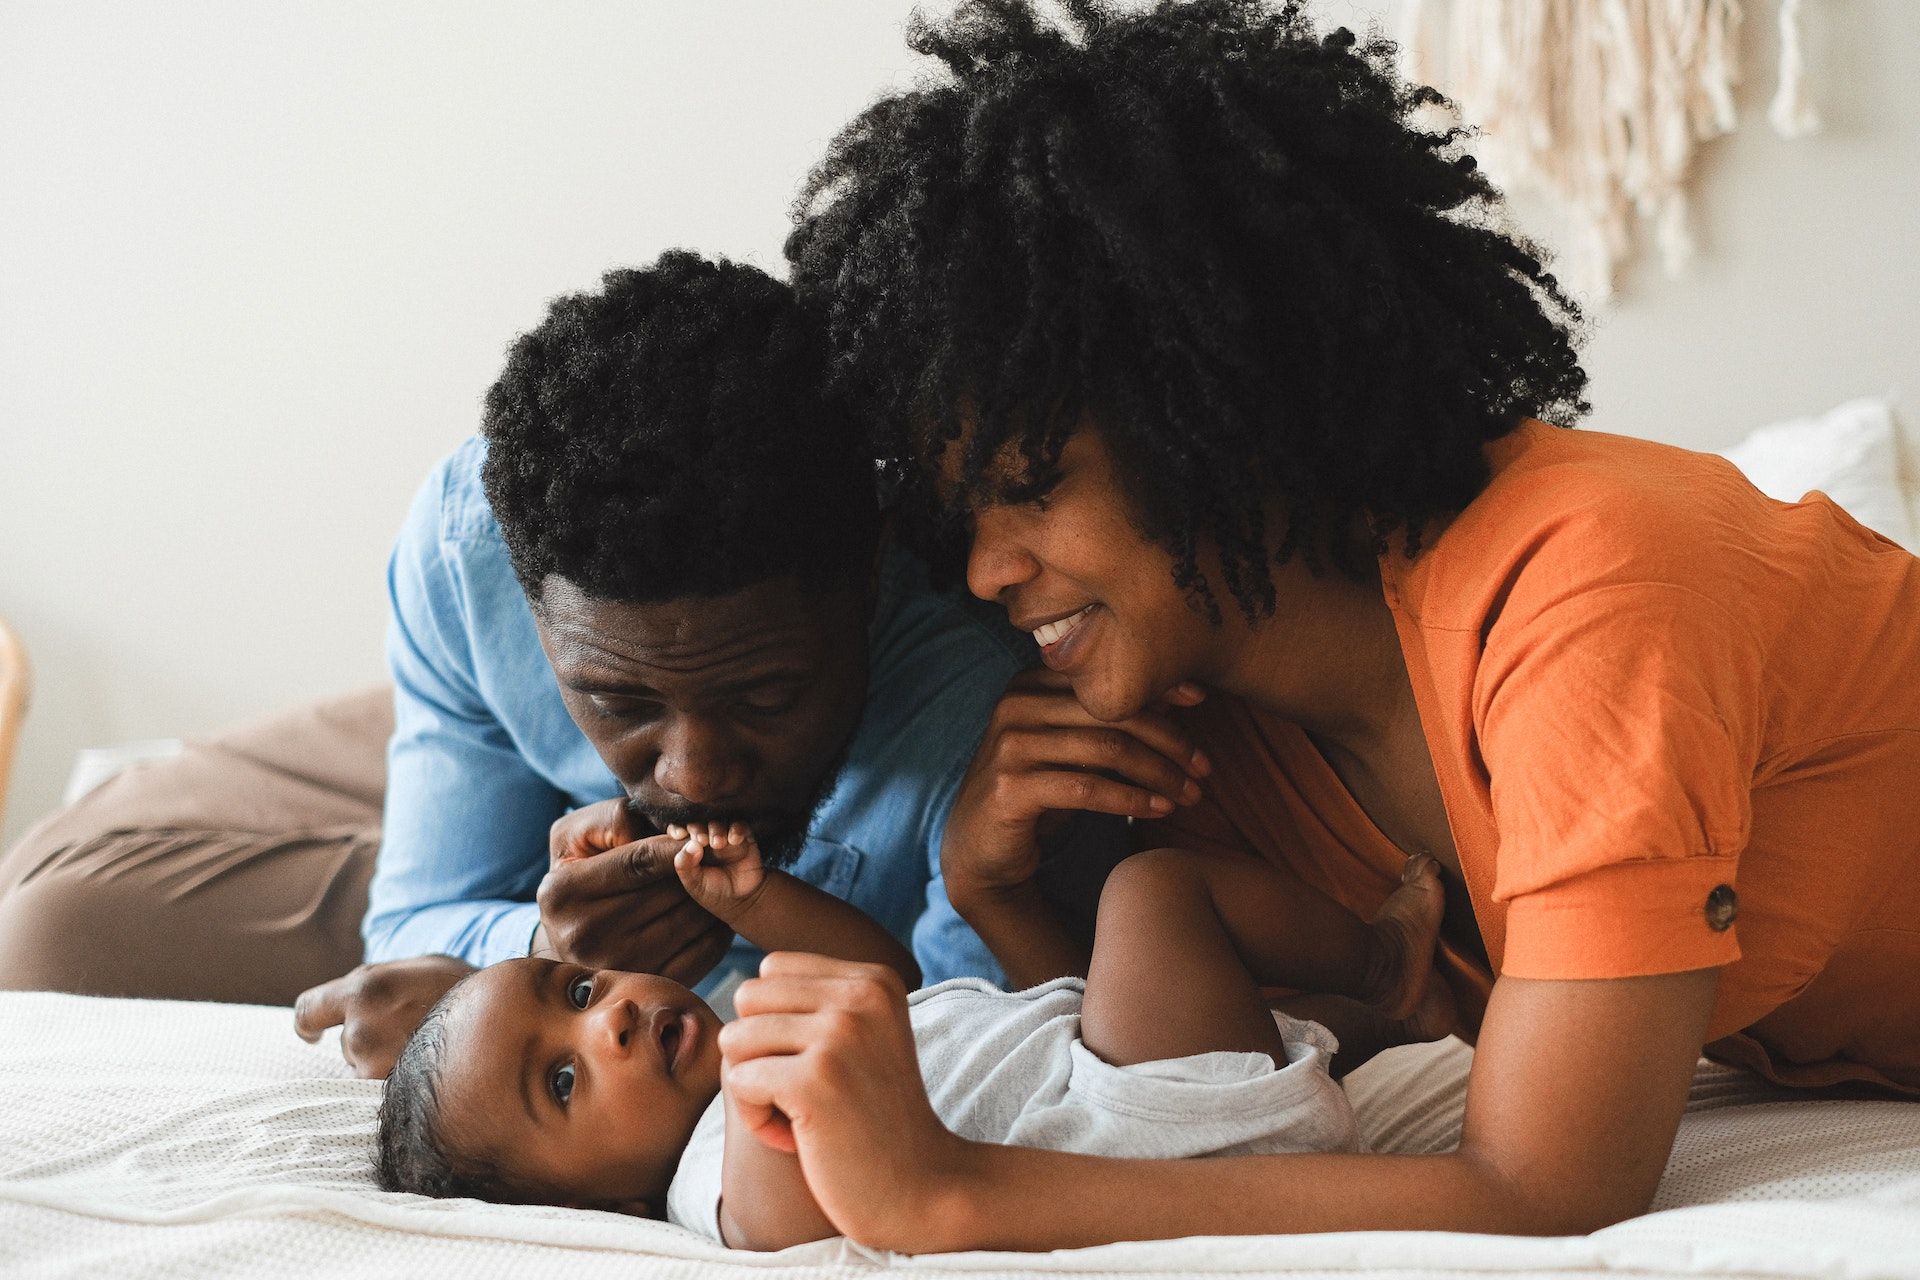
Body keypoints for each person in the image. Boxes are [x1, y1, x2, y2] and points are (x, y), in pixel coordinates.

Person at [723, 0, 1920, 1252]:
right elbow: (1204, 1112)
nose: (981, 570)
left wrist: (947, 1194)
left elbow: (1546, 1189)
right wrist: (994, 891)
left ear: (1218, 415)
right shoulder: (1227, 744)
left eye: (1031, 486)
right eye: (958, 513)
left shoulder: (1585, 591)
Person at [0, 252, 1148, 1070]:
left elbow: (975, 1036)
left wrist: (604, 976)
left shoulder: (979, 663)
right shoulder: (470, 554)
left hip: (618, 805)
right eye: (622, 698)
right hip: (502, 744)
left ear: (868, 580)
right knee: (49, 923)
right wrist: (544, 941)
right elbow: (414, 919)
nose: (695, 773)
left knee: (61, 920)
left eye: (765, 693)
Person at [375, 820, 1447, 1250]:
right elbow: (787, 1223)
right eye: (561, 1081)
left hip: (1115, 1073)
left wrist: (759, 905)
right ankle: (1378, 960)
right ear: (598, 1204)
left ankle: (1381, 1016)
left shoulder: (755, 1043)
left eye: (577, 983)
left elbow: (877, 982)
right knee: (1153, 890)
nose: (605, 1017)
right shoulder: (709, 1180)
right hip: (1143, 1125)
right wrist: (760, 1073)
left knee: (1264, 1001)